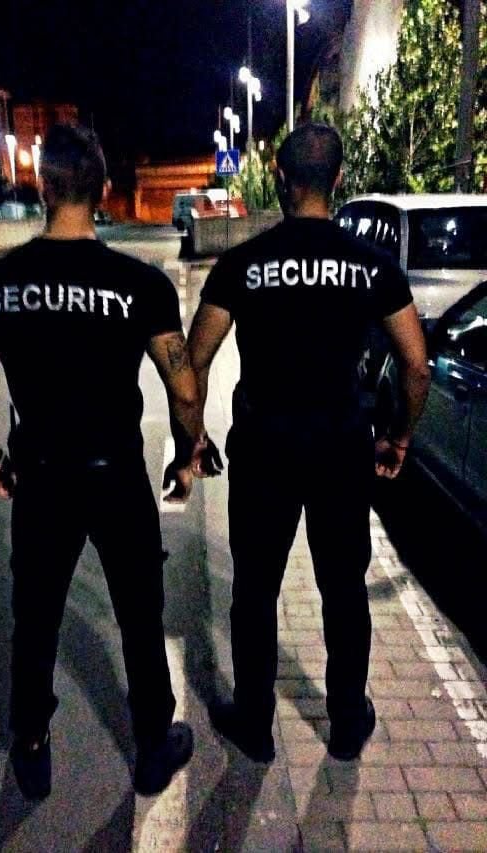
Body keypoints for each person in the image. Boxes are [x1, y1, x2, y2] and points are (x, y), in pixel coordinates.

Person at [0, 124, 206, 800]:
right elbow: (184, 389)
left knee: (35, 617)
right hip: (115, 474)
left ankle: (32, 746)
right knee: (140, 613)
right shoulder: (139, 283)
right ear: (102, 190)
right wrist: (187, 456)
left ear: (42, 187)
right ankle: (152, 745)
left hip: (41, 474)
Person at [187, 123, 431, 763]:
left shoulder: (243, 263)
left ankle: (255, 722)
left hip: (264, 448)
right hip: (341, 448)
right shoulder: (370, 264)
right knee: (344, 589)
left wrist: (195, 438)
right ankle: (347, 722)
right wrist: (399, 437)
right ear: (339, 179)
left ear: (279, 176)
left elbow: (195, 359)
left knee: (255, 590)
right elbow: (416, 364)